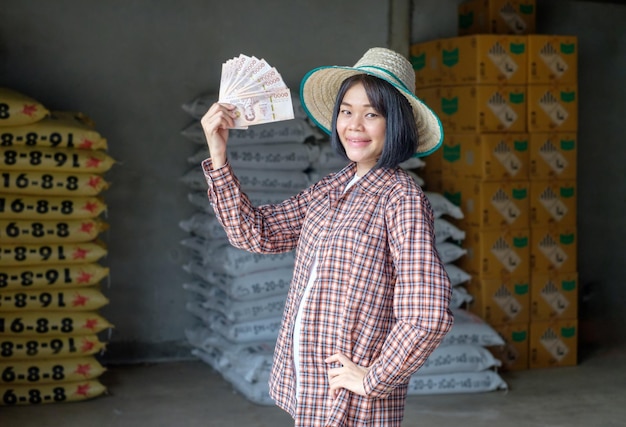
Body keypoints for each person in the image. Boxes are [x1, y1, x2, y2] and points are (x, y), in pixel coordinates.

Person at [200, 47, 454, 427]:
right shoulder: (331, 188)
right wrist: (218, 154)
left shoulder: (402, 200)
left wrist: (374, 378)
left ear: (396, 123)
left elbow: (428, 313)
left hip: (352, 403)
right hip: (311, 390)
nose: (354, 125)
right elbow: (256, 233)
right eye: (347, 111)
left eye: (371, 114)